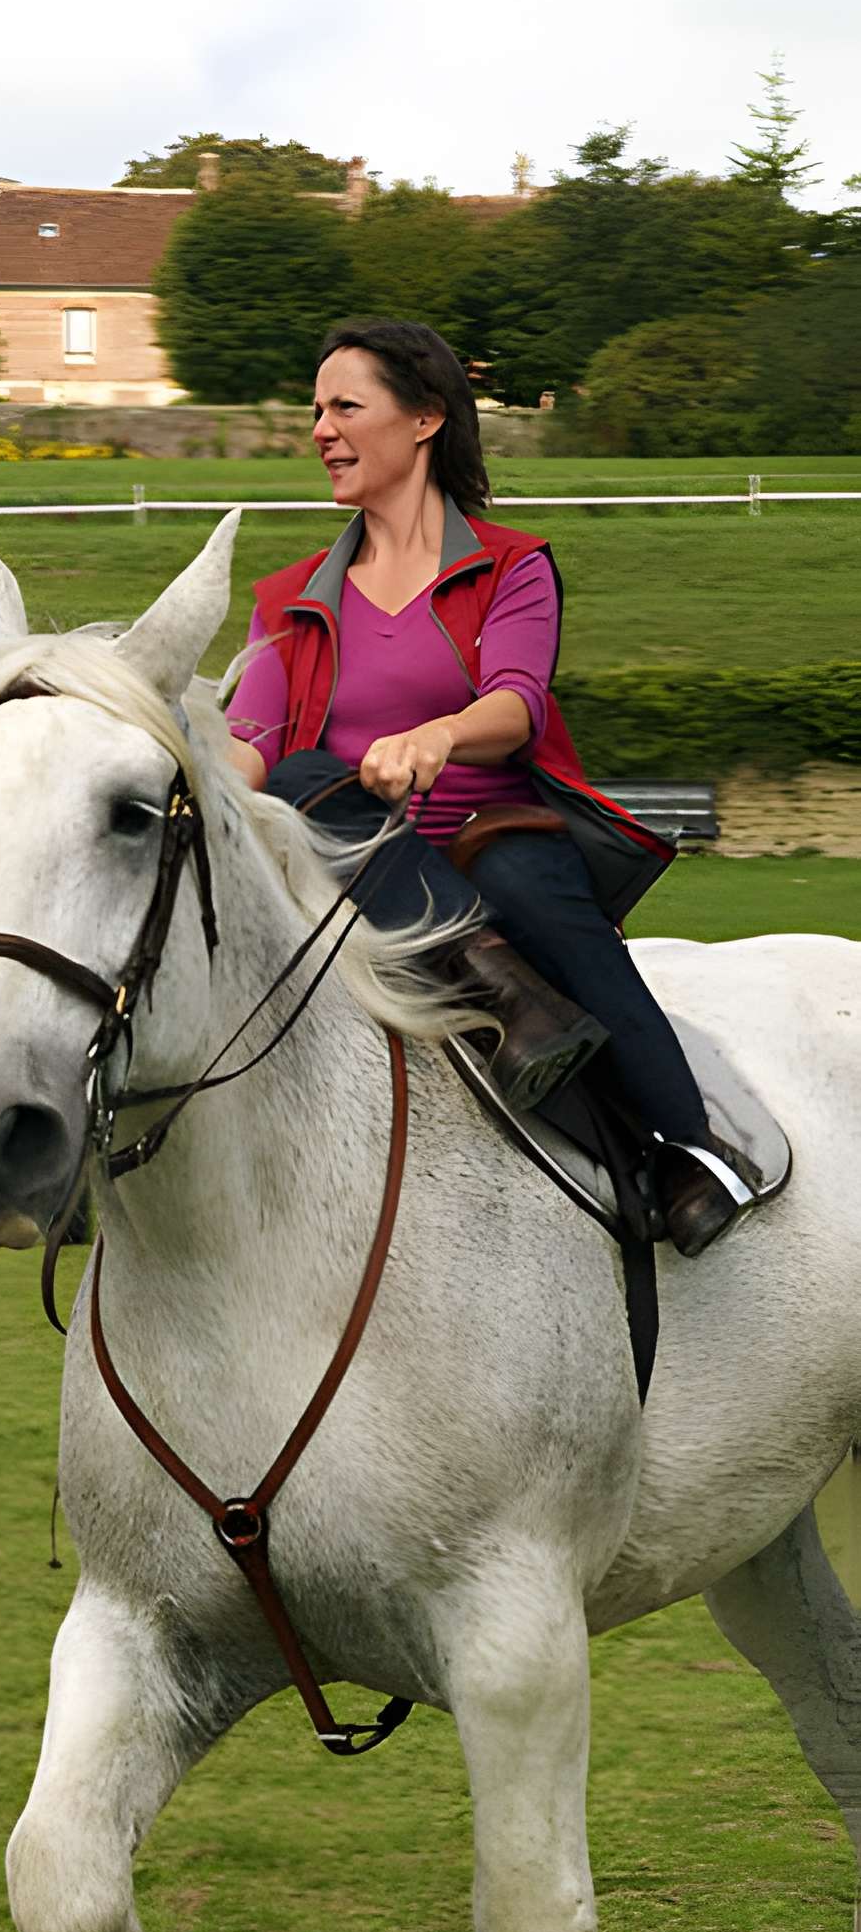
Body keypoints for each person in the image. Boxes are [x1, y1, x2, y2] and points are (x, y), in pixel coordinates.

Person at [225, 317, 756, 1257]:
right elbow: (249, 750)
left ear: (424, 418)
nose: (321, 431)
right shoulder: (290, 600)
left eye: (345, 407)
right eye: (316, 411)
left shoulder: (512, 566)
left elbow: (516, 703)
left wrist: (437, 735)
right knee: (304, 777)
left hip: (491, 835)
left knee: (521, 876)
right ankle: (509, 995)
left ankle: (687, 1149)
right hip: (359, 872)